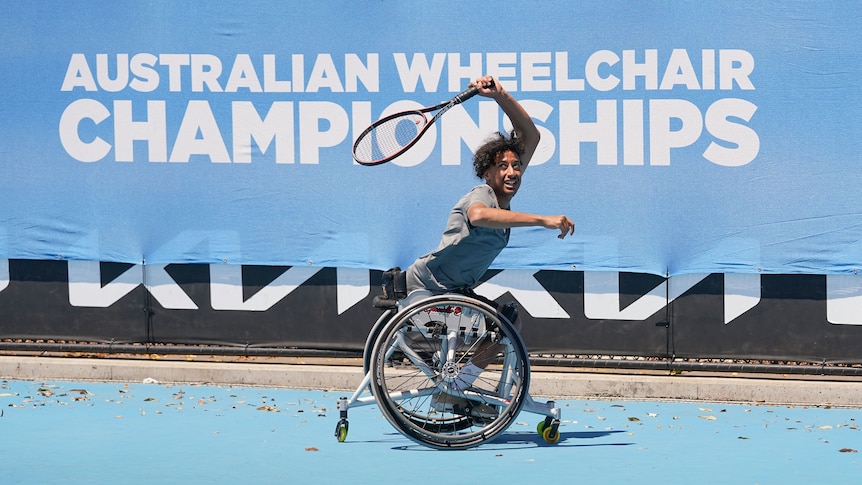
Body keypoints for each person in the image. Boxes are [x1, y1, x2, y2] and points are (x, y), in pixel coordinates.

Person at [403, 75, 574, 413]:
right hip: (427, 289)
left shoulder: (504, 195)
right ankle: (454, 391)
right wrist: (541, 220)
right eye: (503, 166)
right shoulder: (481, 195)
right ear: (488, 173)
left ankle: (456, 390)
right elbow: (479, 217)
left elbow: (531, 134)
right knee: (503, 325)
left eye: (516, 165)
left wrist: (500, 95)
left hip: (455, 293)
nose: (513, 171)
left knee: (508, 322)